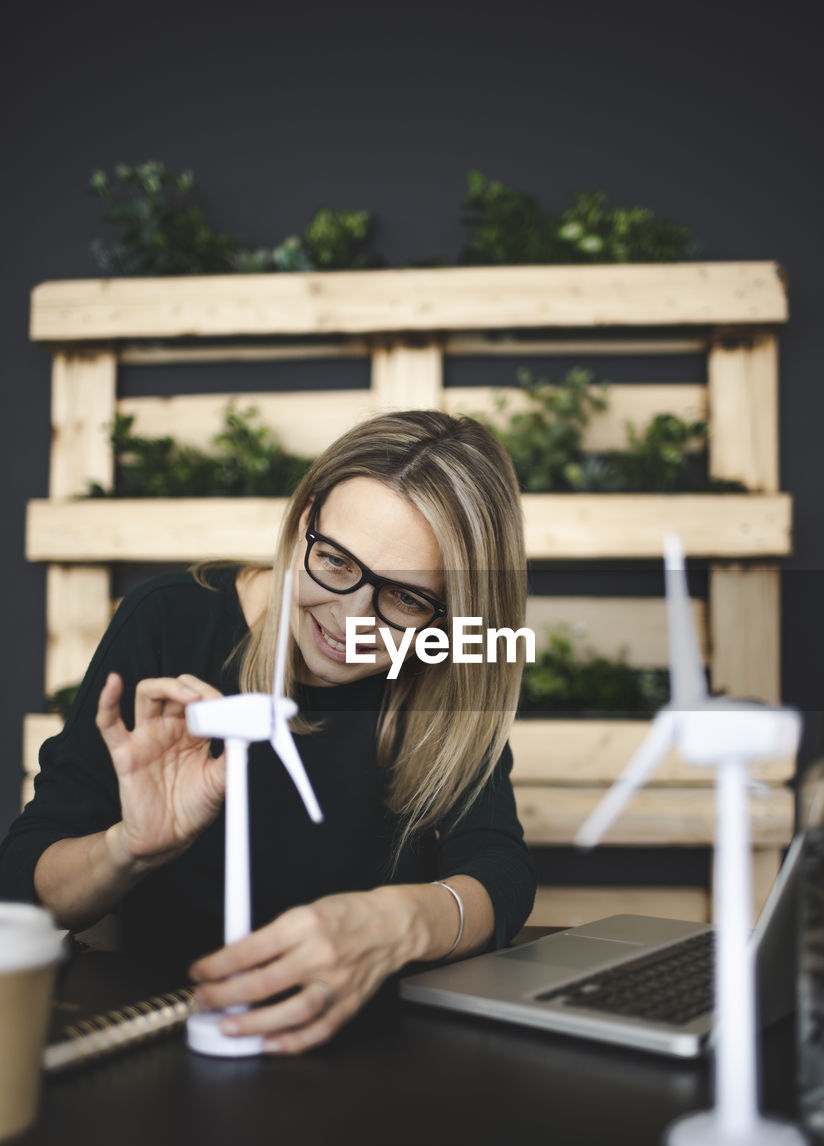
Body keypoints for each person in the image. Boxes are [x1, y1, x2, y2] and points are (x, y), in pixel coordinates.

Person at [0, 411, 536, 1053]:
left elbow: (500, 869)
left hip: (376, 1056)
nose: (348, 619)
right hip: (165, 1039)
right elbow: (26, 883)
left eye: (406, 600)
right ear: (306, 519)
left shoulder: (448, 670)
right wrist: (129, 849)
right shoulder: (171, 620)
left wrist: (403, 921)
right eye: (335, 562)